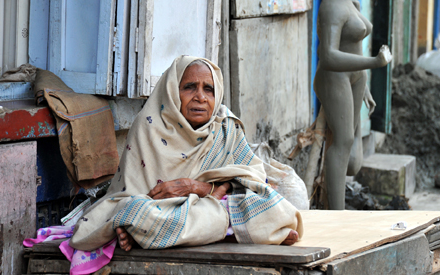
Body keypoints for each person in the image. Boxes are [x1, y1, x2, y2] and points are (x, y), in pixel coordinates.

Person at [69, 55, 303, 252]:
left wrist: (198, 188)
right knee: (138, 214)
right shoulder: (149, 125)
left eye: (208, 89)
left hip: (211, 208)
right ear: (172, 91)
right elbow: (133, 195)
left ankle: (152, 235)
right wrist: (206, 195)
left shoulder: (224, 127)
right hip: (164, 211)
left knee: (273, 205)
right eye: (190, 87)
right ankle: (236, 231)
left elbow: (254, 179)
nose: (200, 97)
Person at [313, 0, 392, 210]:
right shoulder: (332, 7)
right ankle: (338, 215)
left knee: (354, 162)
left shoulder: (350, 2)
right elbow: (328, 57)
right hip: (335, 78)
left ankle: (334, 200)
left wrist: (365, 82)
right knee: (344, 145)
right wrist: (373, 63)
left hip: (356, 79)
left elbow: (353, 44)